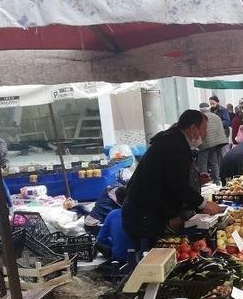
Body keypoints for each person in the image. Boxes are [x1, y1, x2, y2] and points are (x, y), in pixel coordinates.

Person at [122, 110, 222, 245]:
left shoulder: (173, 140)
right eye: (204, 129)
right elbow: (176, 182)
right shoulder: (175, 145)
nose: (205, 134)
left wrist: (197, 180)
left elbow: (169, 175)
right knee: (150, 255)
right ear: (193, 129)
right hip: (143, 214)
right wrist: (203, 204)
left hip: (145, 210)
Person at [95, 188, 134, 262]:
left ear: (116, 200)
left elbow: (101, 238)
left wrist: (114, 243)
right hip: (139, 256)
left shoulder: (112, 214)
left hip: (119, 257)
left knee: (98, 244)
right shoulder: (140, 214)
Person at [197, 103, 229, 181]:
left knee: (203, 162)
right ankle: (216, 179)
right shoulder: (216, 116)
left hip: (204, 143)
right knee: (214, 162)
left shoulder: (200, 118)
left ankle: (204, 179)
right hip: (215, 143)